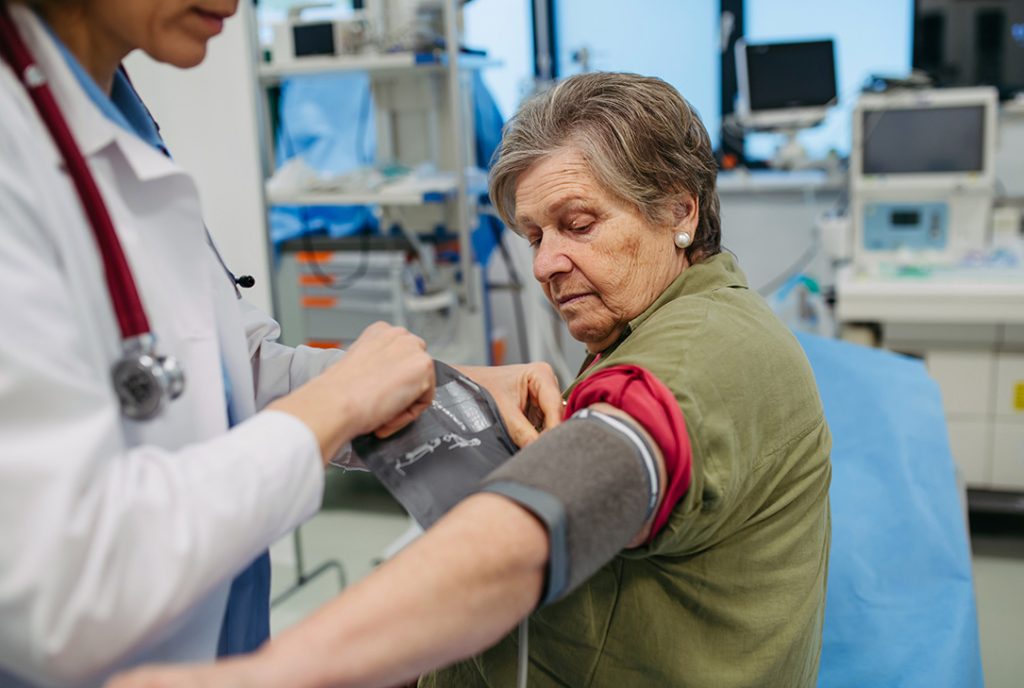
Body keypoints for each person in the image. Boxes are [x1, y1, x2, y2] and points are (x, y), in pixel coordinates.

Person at [109, 72, 832, 688]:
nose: (546, 263)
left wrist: (271, 675)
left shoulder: (699, 353)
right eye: (535, 236)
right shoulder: (655, 319)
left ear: (680, 209)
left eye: (578, 224)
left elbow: (541, 520)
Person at [0, 1, 562, 686]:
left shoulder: (121, 121)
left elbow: (235, 374)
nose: (236, 5)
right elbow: (67, 583)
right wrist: (336, 404)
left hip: (224, 631)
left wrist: (454, 385)